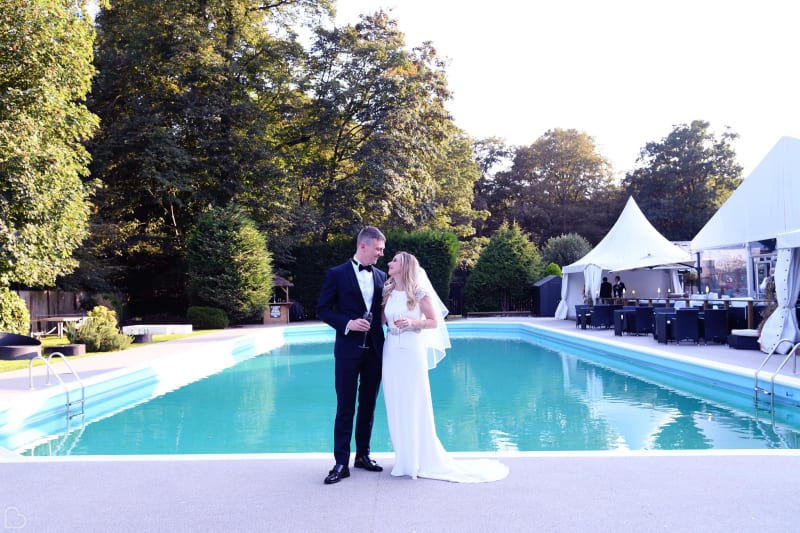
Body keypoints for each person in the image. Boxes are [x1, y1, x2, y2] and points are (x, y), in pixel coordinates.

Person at [381, 251, 509, 483]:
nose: (389, 263)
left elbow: (433, 321)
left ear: (405, 266)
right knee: (394, 401)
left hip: (411, 351)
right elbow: (381, 319)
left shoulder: (418, 291)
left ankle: (419, 459)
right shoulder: (387, 290)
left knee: (413, 401)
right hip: (390, 351)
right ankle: (404, 457)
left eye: (394, 260)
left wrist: (412, 323)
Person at [317, 226, 387, 485]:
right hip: (347, 351)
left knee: (368, 405)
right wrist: (348, 323)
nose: (380, 254)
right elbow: (323, 309)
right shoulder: (336, 274)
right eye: (378, 249)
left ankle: (363, 455)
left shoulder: (381, 276)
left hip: (376, 351)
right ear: (363, 246)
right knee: (345, 405)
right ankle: (340, 462)